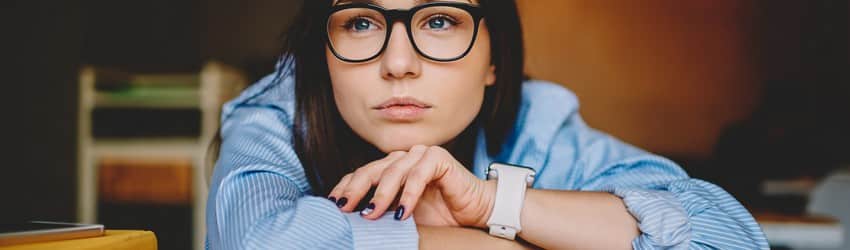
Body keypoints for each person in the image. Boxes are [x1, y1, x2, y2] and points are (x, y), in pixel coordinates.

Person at [205, 0, 769, 249]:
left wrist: (491, 205)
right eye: (359, 23)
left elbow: (728, 239)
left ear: (495, 58)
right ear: (319, 53)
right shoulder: (275, 115)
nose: (398, 62)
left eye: (441, 20)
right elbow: (258, 244)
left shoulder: (536, 123)